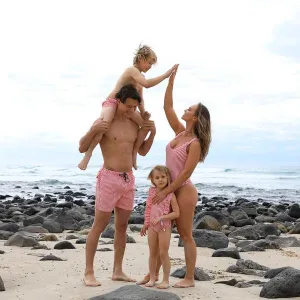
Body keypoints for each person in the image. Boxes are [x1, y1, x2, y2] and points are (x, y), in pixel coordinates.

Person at [137, 66, 212, 288]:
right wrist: (170, 80)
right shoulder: (180, 132)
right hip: (168, 190)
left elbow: (187, 172)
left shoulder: (195, 142)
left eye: (190, 109)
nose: (185, 109)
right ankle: (153, 276)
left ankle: (189, 278)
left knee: (186, 235)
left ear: (197, 118)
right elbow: (167, 106)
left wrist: (166, 191)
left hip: (183, 191)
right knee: (160, 232)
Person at [79, 84, 156, 287]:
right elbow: (82, 147)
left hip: (128, 179)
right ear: (119, 102)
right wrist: (92, 130)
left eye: (134, 108)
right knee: (99, 225)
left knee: (122, 227)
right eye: (128, 107)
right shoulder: (106, 121)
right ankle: (88, 272)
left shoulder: (134, 125)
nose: (131, 111)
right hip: (108, 178)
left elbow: (143, 152)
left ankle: (118, 271)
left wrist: (152, 132)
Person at [78, 44, 178, 170]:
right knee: (104, 125)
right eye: (149, 63)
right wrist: (165, 75)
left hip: (128, 106)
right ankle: (88, 154)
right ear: (140, 58)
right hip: (112, 102)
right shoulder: (132, 70)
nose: (149, 67)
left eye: (152, 65)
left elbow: (140, 100)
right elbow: (147, 84)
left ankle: (134, 153)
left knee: (146, 125)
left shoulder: (140, 79)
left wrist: (143, 113)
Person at [140, 165, 179, 289]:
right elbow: (148, 209)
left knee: (163, 253)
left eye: (163, 177)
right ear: (153, 180)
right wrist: (146, 223)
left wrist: (162, 217)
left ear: (168, 178)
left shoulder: (170, 195)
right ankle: (152, 278)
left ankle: (165, 280)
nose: (160, 179)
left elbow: (176, 213)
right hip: (152, 227)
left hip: (164, 227)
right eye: (157, 178)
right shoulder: (151, 192)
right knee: (152, 253)